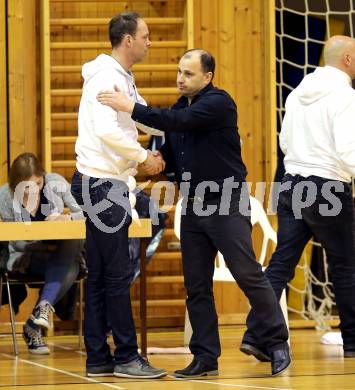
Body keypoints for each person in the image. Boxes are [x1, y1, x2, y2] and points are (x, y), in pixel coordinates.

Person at [96, 48, 291, 377]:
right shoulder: (178, 110)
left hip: (227, 202)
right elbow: (171, 158)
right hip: (195, 206)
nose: (180, 78)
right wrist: (147, 162)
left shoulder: (219, 103)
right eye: (179, 71)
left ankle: (276, 341)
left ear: (207, 77)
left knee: (248, 273)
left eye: (188, 73)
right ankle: (205, 357)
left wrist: (130, 107)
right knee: (196, 285)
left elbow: (179, 122)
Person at [241, 35, 355, 359]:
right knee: (345, 267)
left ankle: (256, 333)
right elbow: (349, 152)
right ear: (347, 59)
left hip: (293, 184)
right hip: (328, 186)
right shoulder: (345, 96)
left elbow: (285, 143)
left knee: (280, 265)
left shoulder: (297, 93)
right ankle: (353, 342)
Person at [70, 12, 166, 378]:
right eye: (146, 35)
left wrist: (167, 126)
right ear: (128, 40)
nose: (149, 41)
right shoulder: (108, 76)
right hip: (103, 185)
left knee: (99, 275)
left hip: (99, 182)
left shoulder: (121, 76)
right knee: (116, 275)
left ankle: (98, 358)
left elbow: (137, 116)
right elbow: (107, 130)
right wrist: (144, 157)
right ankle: (126, 356)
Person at [0, 152, 83, 354]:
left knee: (75, 242)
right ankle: (34, 324)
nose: (34, 190)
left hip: (59, 253)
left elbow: (84, 213)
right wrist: (46, 244)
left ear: (43, 176)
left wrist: (67, 219)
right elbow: (17, 242)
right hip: (27, 256)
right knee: (70, 266)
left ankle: (38, 315)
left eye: (38, 183)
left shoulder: (56, 183)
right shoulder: (4, 195)